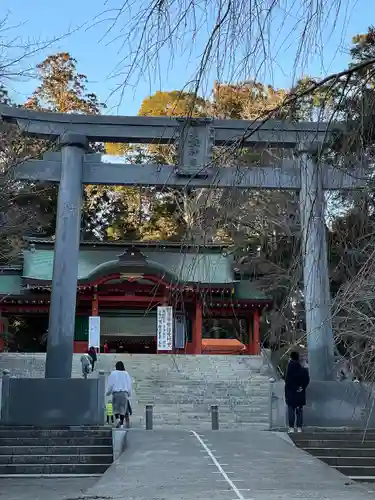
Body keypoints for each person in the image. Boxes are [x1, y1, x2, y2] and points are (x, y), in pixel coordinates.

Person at [285, 351, 310, 433]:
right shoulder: (302, 368)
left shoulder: (289, 367)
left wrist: (294, 388)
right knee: (299, 410)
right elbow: (307, 379)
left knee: (291, 409)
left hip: (291, 392)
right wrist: (302, 387)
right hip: (300, 393)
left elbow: (288, 380)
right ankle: (299, 427)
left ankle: (291, 427)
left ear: (291, 357)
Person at [106, 361, 133, 429]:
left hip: (116, 393)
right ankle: (121, 423)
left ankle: (117, 419)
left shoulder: (113, 373)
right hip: (124, 393)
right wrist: (129, 393)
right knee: (122, 409)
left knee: (115, 408)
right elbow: (129, 384)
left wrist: (108, 392)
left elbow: (111, 384)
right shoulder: (126, 373)